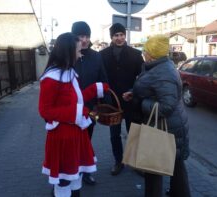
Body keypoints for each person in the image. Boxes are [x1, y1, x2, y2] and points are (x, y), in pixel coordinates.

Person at [38, 32, 109, 197]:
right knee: (64, 181)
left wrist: (94, 89)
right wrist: (80, 112)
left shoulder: (69, 72)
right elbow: (45, 111)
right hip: (62, 138)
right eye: (78, 50)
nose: (80, 54)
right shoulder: (51, 78)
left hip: (76, 134)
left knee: (76, 177)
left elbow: (74, 99)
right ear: (68, 52)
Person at [123, 35, 191, 197]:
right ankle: (180, 193)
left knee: (153, 166)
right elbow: (154, 91)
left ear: (153, 53)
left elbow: (166, 106)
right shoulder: (156, 66)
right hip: (170, 125)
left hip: (166, 127)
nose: (143, 53)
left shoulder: (163, 72)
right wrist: (134, 94)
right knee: (176, 164)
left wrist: (141, 104)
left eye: (146, 50)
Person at [100, 23, 144, 176]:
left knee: (134, 133)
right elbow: (101, 78)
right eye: (116, 35)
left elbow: (142, 77)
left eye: (121, 35)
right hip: (112, 104)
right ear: (111, 37)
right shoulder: (103, 54)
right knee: (114, 134)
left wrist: (133, 91)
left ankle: (135, 162)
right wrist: (105, 98)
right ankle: (118, 161)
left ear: (125, 35)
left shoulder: (136, 54)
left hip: (131, 101)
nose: (119, 38)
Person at [71, 21, 108, 185]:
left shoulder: (96, 56)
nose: (84, 40)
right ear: (74, 37)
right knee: (71, 142)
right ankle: (68, 175)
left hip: (90, 108)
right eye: (80, 36)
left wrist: (104, 104)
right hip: (70, 109)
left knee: (87, 141)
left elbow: (103, 80)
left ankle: (85, 172)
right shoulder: (68, 55)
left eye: (86, 36)